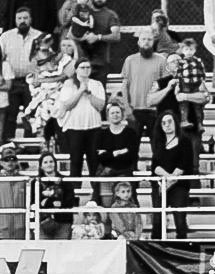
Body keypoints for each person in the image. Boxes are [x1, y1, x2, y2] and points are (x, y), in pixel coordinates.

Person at [53, 58, 109, 190]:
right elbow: (67, 105)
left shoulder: (97, 84)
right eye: (82, 67)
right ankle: (74, 192)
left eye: (88, 67)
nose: (85, 70)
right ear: (77, 69)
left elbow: (100, 106)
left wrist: (89, 93)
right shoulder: (69, 84)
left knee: (94, 160)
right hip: (74, 128)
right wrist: (80, 91)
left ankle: (96, 193)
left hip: (93, 127)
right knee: (76, 160)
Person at [118, 27, 172, 158]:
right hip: (135, 110)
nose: (146, 42)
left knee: (158, 145)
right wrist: (127, 108)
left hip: (155, 110)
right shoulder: (130, 60)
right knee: (131, 146)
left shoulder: (161, 60)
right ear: (138, 42)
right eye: (143, 39)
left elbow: (165, 85)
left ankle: (157, 175)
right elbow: (124, 86)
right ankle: (131, 174)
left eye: (149, 39)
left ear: (153, 42)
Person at [149, 110, 196, 239]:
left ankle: (182, 252)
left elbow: (183, 166)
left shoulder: (184, 141)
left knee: (180, 220)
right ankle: (154, 250)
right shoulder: (158, 142)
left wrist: (168, 183)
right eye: (163, 123)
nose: (167, 125)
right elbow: (155, 166)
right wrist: (166, 180)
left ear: (175, 123)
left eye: (169, 121)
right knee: (157, 220)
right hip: (160, 185)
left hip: (179, 185)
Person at [0, 7, 45, 129]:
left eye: (25, 18)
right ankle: (9, 146)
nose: (22, 21)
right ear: (15, 20)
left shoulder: (40, 37)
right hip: (12, 83)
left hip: (32, 83)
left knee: (32, 116)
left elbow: (45, 61)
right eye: (19, 18)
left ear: (31, 20)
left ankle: (31, 148)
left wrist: (40, 78)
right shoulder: (5, 37)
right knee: (9, 116)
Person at [168, 35, 210, 163]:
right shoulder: (169, 80)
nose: (189, 52)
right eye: (186, 49)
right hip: (175, 128)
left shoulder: (198, 61)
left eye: (191, 49)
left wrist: (201, 84)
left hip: (196, 84)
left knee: (197, 109)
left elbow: (205, 97)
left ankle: (199, 124)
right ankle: (184, 120)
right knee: (184, 106)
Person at [91, 101, 141, 195]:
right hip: (106, 173)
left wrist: (107, 153)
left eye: (118, 112)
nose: (115, 115)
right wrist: (118, 152)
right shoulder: (101, 135)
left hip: (125, 172)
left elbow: (131, 155)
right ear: (107, 116)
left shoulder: (130, 133)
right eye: (112, 113)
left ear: (122, 115)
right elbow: (98, 157)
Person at [36, 150, 76, 240]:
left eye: (51, 161)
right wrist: (53, 202)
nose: (49, 164)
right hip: (43, 223)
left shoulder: (66, 181)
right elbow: (35, 202)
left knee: (61, 252)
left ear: (55, 164)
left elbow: (70, 201)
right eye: (45, 162)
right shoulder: (36, 182)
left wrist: (46, 201)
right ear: (41, 166)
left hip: (63, 222)